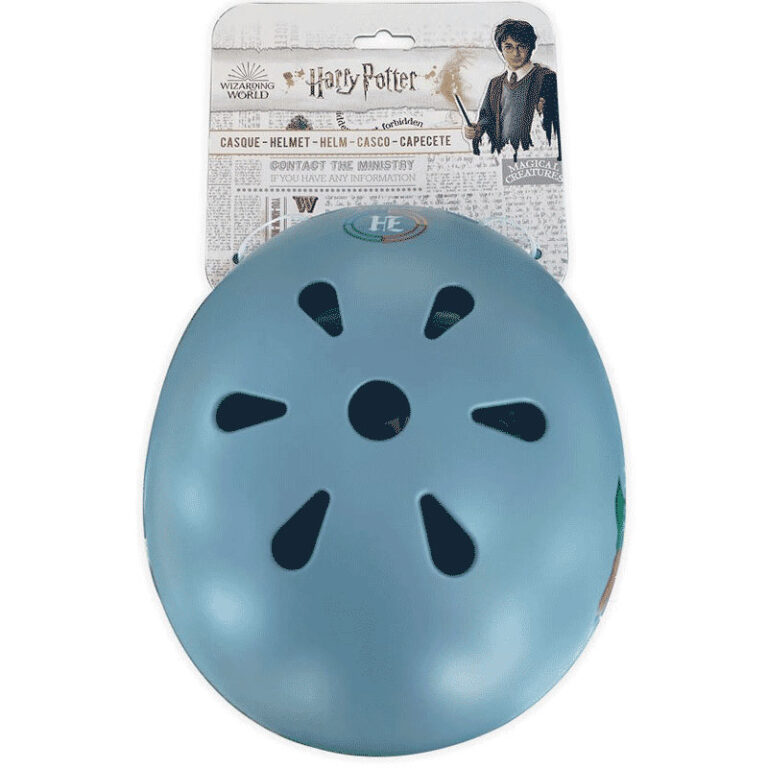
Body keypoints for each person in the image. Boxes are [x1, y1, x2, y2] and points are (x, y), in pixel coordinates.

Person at [464, 19, 560, 160]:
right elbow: (486, 119)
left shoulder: (547, 79)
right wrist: (476, 130)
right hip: (504, 157)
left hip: (536, 155)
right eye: (508, 47)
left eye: (521, 46)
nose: (515, 53)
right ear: (501, 49)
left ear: (531, 47)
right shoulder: (495, 84)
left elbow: (559, 124)